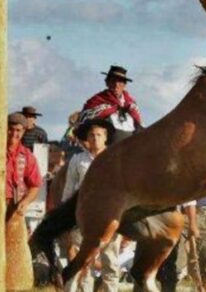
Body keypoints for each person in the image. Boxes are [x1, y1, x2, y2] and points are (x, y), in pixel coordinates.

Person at [62, 119, 120, 292]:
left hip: (110, 217)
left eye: (99, 135)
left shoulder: (115, 158)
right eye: (92, 135)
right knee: (83, 262)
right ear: (86, 138)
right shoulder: (78, 160)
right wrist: (66, 218)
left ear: (105, 137)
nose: (95, 138)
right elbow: (69, 189)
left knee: (110, 261)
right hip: (84, 217)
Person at [5, 112, 43, 286]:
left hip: (14, 207)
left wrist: (25, 202)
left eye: (18, 130)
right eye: (11, 129)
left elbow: (35, 184)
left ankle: (15, 285)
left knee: (16, 249)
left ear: (23, 132)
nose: (14, 134)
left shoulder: (26, 155)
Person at [81, 65, 142, 143]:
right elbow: (84, 120)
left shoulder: (131, 104)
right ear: (107, 83)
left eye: (120, 82)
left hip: (130, 148)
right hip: (107, 150)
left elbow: (139, 125)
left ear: (124, 85)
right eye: (113, 81)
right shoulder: (97, 100)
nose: (116, 85)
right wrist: (108, 110)